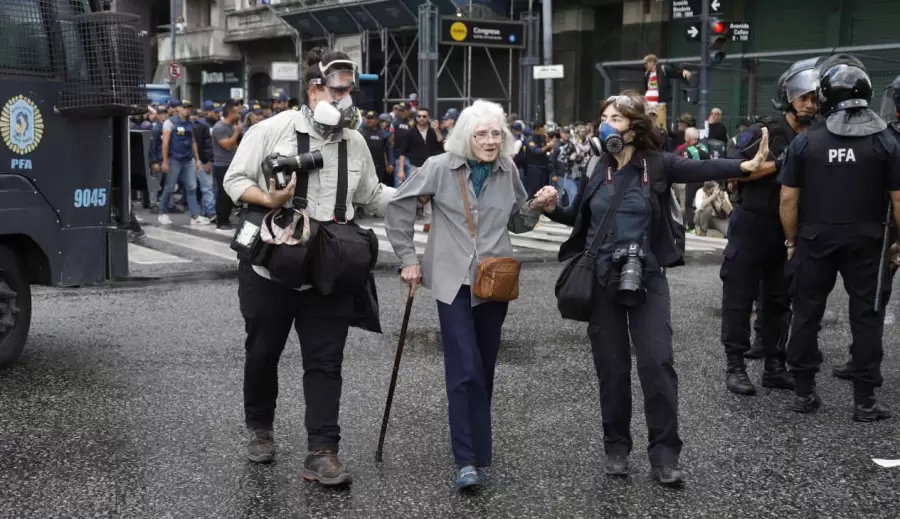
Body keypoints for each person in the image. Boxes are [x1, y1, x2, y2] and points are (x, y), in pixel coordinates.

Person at [545, 91, 769, 487]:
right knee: (612, 370)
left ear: (635, 127)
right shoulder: (597, 165)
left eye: (616, 117)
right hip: (600, 280)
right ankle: (616, 446)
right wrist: (551, 208)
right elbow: (578, 218)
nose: (607, 123)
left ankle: (665, 455)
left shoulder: (657, 165)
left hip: (646, 278)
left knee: (657, 365)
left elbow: (700, 167)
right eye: (605, 116)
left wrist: (745, 165)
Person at [223, 47, 393, 486]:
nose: (346, 100)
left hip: (330, 269)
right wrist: (271, 200)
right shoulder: (271, 130)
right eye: (337, 91)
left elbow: (372, 196)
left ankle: (323, 450)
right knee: (263, 353)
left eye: (350, 91)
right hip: (272, 268)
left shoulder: (356, 142)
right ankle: (260, 428)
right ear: (314, 89)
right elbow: (235, 181)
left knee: (326, 361)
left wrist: (424, 192)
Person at [385, 99, 557, 490]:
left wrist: (538, 206)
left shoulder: (507, 168)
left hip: (494, 280)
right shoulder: (440, 167)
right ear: (466, 136)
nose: (490, 140)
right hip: (452, 280)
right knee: (463, 368)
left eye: (497, 133)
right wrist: (408, 259)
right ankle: (465, 460)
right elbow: (399, 206)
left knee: (484, 368)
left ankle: (479, 450)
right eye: (482, 133)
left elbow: (518, 220)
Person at [779, 54, 900, 419]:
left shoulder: (806, 143)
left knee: (806, 313)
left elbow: (788, 198)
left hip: (815, 237)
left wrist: (791, 241)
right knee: (867, 315)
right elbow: (899, 199)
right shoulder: (887, 141)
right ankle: (864, 401)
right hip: (869, 240)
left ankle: (803, 393)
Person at [720, 57, 822, 396]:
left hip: (789, 230)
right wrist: (780, 163)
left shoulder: (820, 135)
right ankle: (735, 366)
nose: (810, 105)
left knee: (780, 299)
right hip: (752, 224)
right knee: (739, 296)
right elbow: (732, 171)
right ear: (789, 98)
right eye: (804, 98)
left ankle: (775, 365)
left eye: (815, 98)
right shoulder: (764, 131)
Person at [833, 72, 900, 380]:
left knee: (872, 298)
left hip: (889, 226)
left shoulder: (890, 135)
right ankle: (864, 359)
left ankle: (866, 365)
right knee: (873, 296)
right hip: (885, 225)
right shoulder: (890, 134)